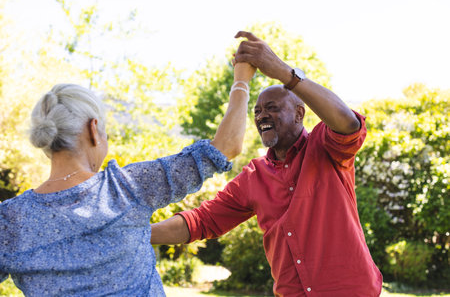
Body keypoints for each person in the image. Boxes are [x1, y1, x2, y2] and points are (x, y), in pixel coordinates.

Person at [0, 52, 256, 295]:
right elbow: (226, 146)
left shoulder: (10, 220)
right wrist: (242, 79)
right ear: (94, 129)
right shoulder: (128, 187)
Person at [151, 31, 383, 297]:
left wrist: (283, 72)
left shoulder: (324, 147)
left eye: (272, 108)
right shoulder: (253, 177)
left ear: (299, 114)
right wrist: (133, 233)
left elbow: (348, 123)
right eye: (257, 111)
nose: (262, 116)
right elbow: (201, 221)